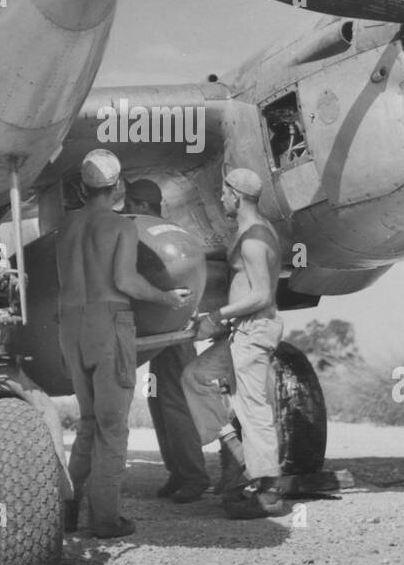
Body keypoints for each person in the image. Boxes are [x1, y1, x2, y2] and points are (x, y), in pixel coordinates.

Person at [56, 150, 192, 538]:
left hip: (70, 325)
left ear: (83, 188)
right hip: (107, 323)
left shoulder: (65, 228)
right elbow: (126, 282)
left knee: (88, 422)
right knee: (112, 427)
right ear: (116, 187)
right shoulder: (121, 227)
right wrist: (169, 299)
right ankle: (105, 519)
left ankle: (66, 505)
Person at [182, 167, 285, 519]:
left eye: (225, 193)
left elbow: (261, 295)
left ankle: (270, 493)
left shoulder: (255, 239)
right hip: (243, 329)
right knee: (195, 377)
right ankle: (239, 456)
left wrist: (217, 315)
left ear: (237, 196)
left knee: (254, 408)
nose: (221, 198)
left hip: (253, 330)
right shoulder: (253, 231)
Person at [123, 178, 209, 503]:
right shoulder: (170, 231)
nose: (125, 211)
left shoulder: (150, 234)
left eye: (130, 204)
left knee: (174, 401)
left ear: (142, 206)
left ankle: (193, 475)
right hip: (164, 332)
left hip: (172, 334)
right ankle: (177, 469)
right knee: (158, 400)